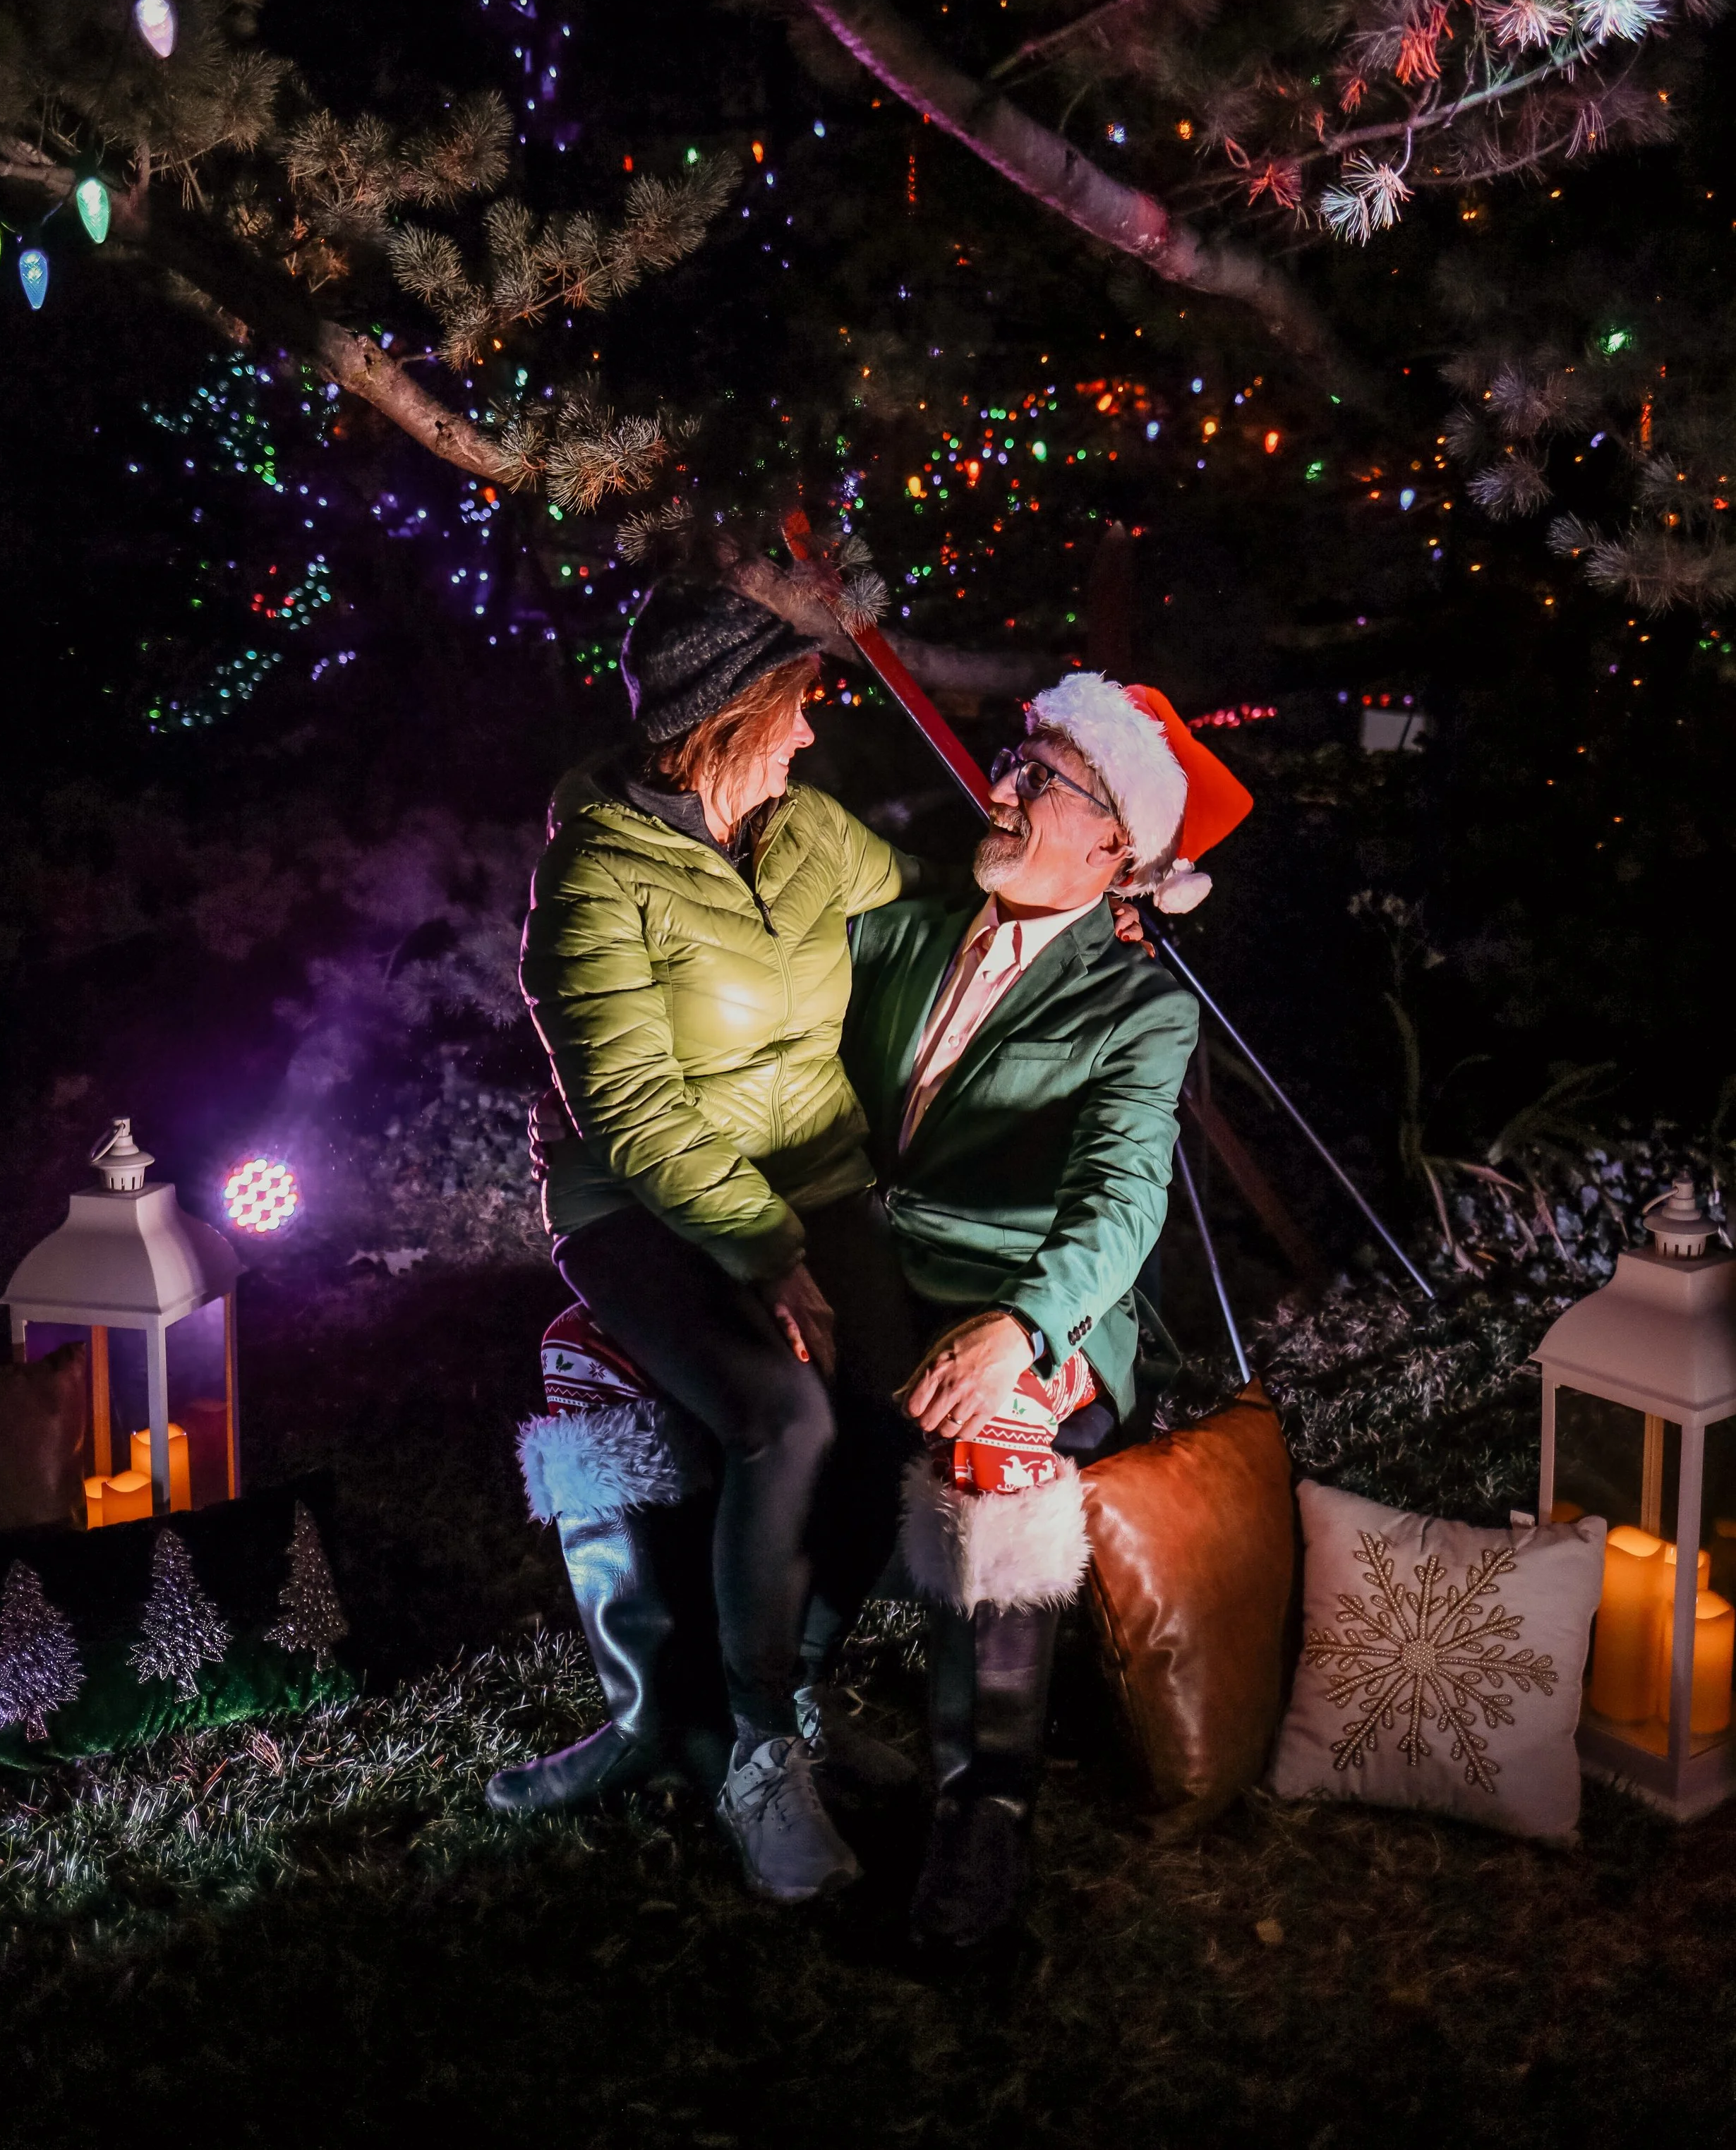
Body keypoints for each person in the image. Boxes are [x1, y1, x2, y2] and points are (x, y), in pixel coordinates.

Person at [486, 574, 922, 1903]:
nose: (810, 736)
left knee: (897, 1416)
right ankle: (755, 1752)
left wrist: (1080, 922)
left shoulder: (805, 832)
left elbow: (917, 906)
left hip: (815, 1174)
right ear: (729, 721)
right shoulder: (595, 875)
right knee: (781, 1415)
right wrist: (764, 1249)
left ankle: (788, 1684)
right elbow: (628, 1106)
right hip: (646, 1201)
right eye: (793, 709)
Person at [819, 671, 1248, 1951]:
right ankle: (757, 1712)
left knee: (998, 1427)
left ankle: (984, 1808)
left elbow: (1122, 1199)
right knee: (620, 1352)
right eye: (1013, 757)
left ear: (1115, 843)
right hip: (871, 1274)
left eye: (1038, 776)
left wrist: (1024, 1323)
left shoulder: (1138, 1003)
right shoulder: (900, 925)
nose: (997, 787)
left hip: (1026, 1308)